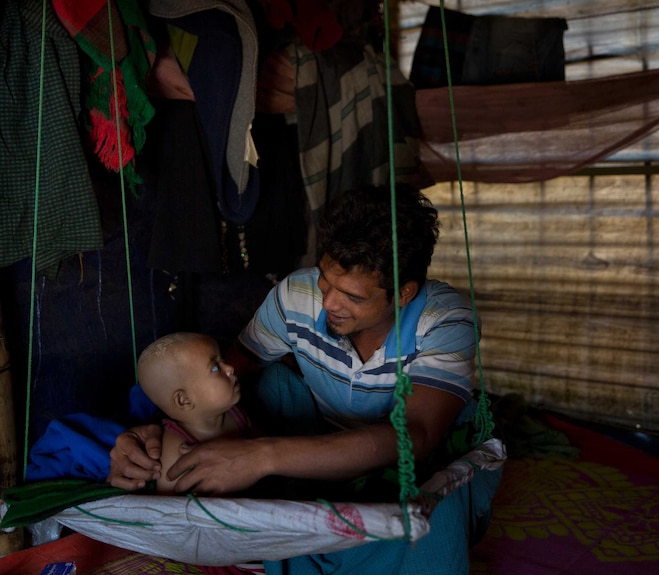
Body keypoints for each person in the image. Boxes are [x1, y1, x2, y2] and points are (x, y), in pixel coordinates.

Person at [108, 183, 502, 575]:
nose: (328, 303)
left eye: (353, 296)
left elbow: (413, 436)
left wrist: (261, 456)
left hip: (403, 459)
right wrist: (161, 433)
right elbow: (217, 379)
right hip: (315, 436)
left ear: (403, 294)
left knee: (431, 514)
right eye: (326, 281)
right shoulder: (295, 296)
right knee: (271, 382)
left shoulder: (445, 320)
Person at [135, 332, 253, 494]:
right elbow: (168, 499)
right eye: (215, 367)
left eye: (223, 361)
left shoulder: (237, 415)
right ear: (184, 400)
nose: (230, 368)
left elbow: (259, 443)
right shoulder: (177, 444)